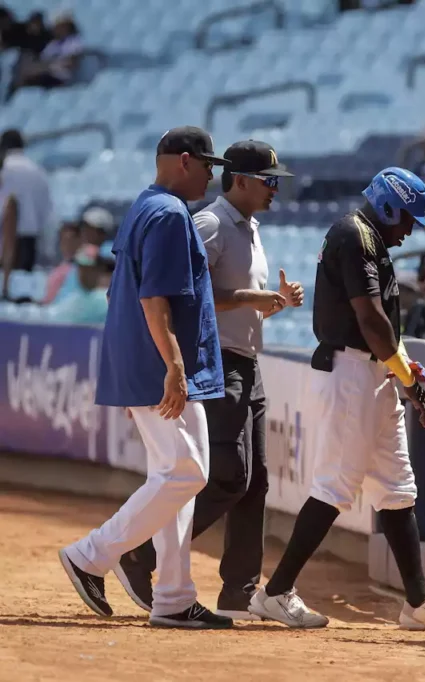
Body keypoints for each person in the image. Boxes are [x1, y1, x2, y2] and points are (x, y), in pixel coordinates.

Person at [248, 167, 425, 630]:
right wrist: (405, 376)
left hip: (372, 373)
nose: (411, 229)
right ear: (390, 207)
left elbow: (385, 326)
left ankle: (417, 603)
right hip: (351, 372)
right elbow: (371, 322)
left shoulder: (373, 240)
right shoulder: (355, 237)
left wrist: (404, 369)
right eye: (409, 218)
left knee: (396, 487)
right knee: (335, 485)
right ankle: (275, 592)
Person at [114, 140, 304, 620]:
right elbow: (193, 296)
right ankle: (138, 554)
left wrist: (271, 300)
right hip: (219, 361)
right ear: (238, 179)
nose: (275, 190)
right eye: (269, 180)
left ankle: (240, 591)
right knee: (226, 477)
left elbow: (232, 297)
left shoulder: (250, 227)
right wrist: (248, 298)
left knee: (255, 480)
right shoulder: (210, 223)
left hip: (248, 361)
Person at [57, 126, 232, 629]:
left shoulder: (148, 205)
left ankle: (174, 596)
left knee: (176, 478)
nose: (211, 174)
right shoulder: (170, 213)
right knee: (187, 473)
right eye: (207, 164)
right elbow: (152, 297)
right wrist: (173, 367)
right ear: (183, 160)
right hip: (160, 364)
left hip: (155, 359)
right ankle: (91, 555)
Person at [1, 128, 53, 298]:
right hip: (31, 243)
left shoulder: (5, 171)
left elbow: (8, 213)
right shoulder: (39, 171)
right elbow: (46, 212)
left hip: (6, 241)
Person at [9, 11, 82, 94]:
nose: (56, 29)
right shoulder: (54, 44)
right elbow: (43, 58)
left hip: (60, 78)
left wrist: (48, 66)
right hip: (47, 71)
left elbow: (71, 63)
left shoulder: (74, 41)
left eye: (59, 26)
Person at [40, 221, 81, 304]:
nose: (68, 244)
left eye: (71, 240)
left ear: (80, 241)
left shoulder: (86, 267)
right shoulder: (57, 270)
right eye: (64, 240)